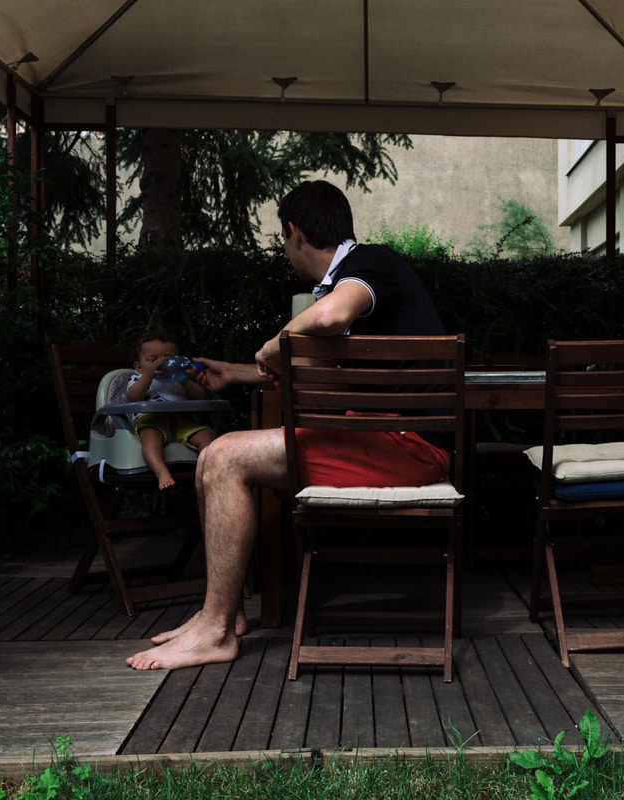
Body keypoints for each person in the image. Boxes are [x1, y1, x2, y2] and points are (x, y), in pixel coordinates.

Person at [127, 180, 449, 671]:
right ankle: (225, 616)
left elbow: (331, 315)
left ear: (294, 233)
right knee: (213, 458)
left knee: (226, 456)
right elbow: (321, 362)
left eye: (282, 240)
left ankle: (215, 632)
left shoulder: (369, 264)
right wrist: (237, 372)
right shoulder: (356, 279)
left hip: (407, 447)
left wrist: (276, 341)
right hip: (378, 438)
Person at [125, 331, 216, 490]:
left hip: (182, 421)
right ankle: (161, 472)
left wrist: (185, 380)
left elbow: (200, 396)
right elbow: (133, 397)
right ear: (138, 366)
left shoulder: (178, 379)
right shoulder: (138, 379)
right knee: (150, 436)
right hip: (152, 420)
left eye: (168, 359)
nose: (161, 363)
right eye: (153, 359)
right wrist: (148, 377)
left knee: (206, 435)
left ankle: (207, 472)